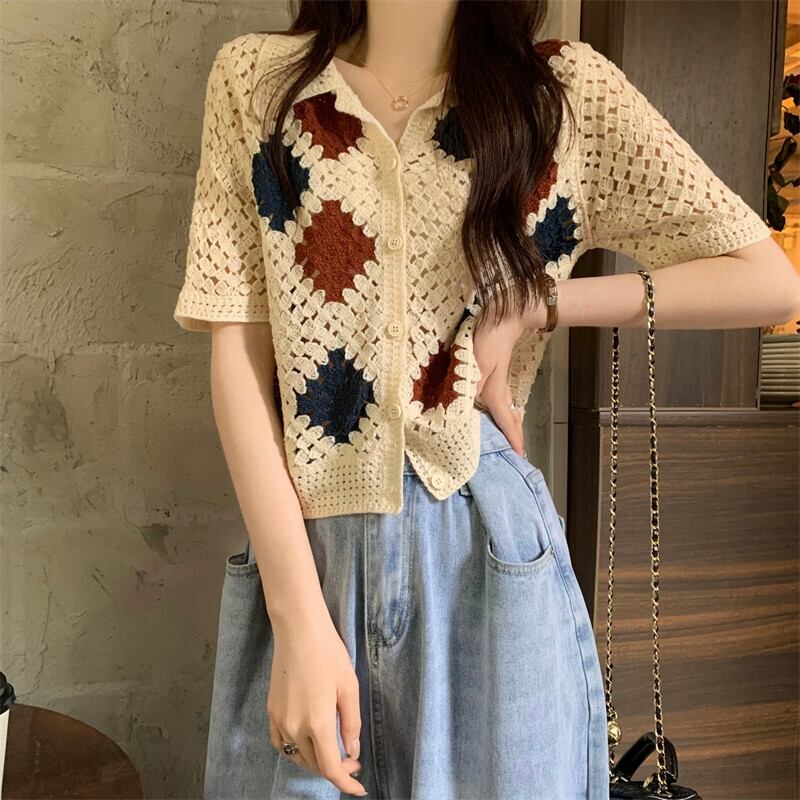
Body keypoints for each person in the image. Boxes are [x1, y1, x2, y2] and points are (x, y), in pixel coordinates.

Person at [173, 2, 798, 798]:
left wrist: (539, 301)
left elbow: (766, 280)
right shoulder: (260, 84)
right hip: (310, 553)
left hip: (487, 551)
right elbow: (239, 358)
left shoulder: (560, 95)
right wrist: (297, 618)